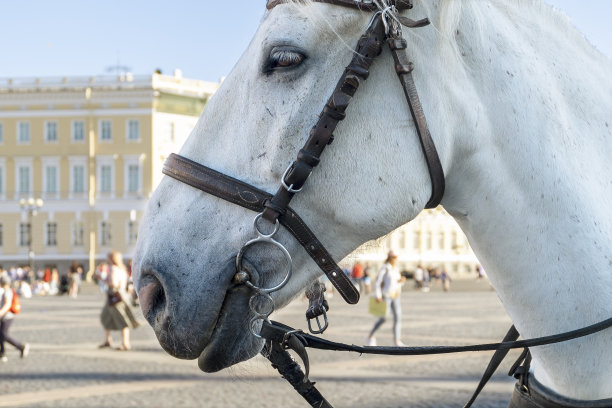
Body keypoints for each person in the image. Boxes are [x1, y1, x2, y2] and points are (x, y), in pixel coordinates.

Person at [99, 251, 140, 351]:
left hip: (115, 298)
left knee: (122, 320)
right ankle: (108, 340)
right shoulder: (122, 269)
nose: (106, 259)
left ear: (112, 259)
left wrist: (102, 279)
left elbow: (113, 283)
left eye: (108, 257)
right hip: (119, 297)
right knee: (105, 318)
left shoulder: (113, 269)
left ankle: (125, 343)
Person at [366, 251, 405, 347]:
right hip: (386, 296)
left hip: (396, 296)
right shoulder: (385, 268)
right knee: (384, 318)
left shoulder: (396, 269)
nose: (396, 259)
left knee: (398, 318)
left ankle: (397, 340)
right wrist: (378, 295)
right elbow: (378, 282)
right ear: (390, 258)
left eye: (396, 257)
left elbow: (396, 283)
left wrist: (401, 281)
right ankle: (371, 336)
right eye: (394, 257)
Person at [0, 274, 30, 362]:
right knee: (1, 335)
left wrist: (0, 313)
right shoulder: (7, 290)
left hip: (7, 317)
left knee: (3, 335)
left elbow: (7, 304)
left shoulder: (7, 291)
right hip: (5, 316)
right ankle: (2, 353)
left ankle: (20, 347)